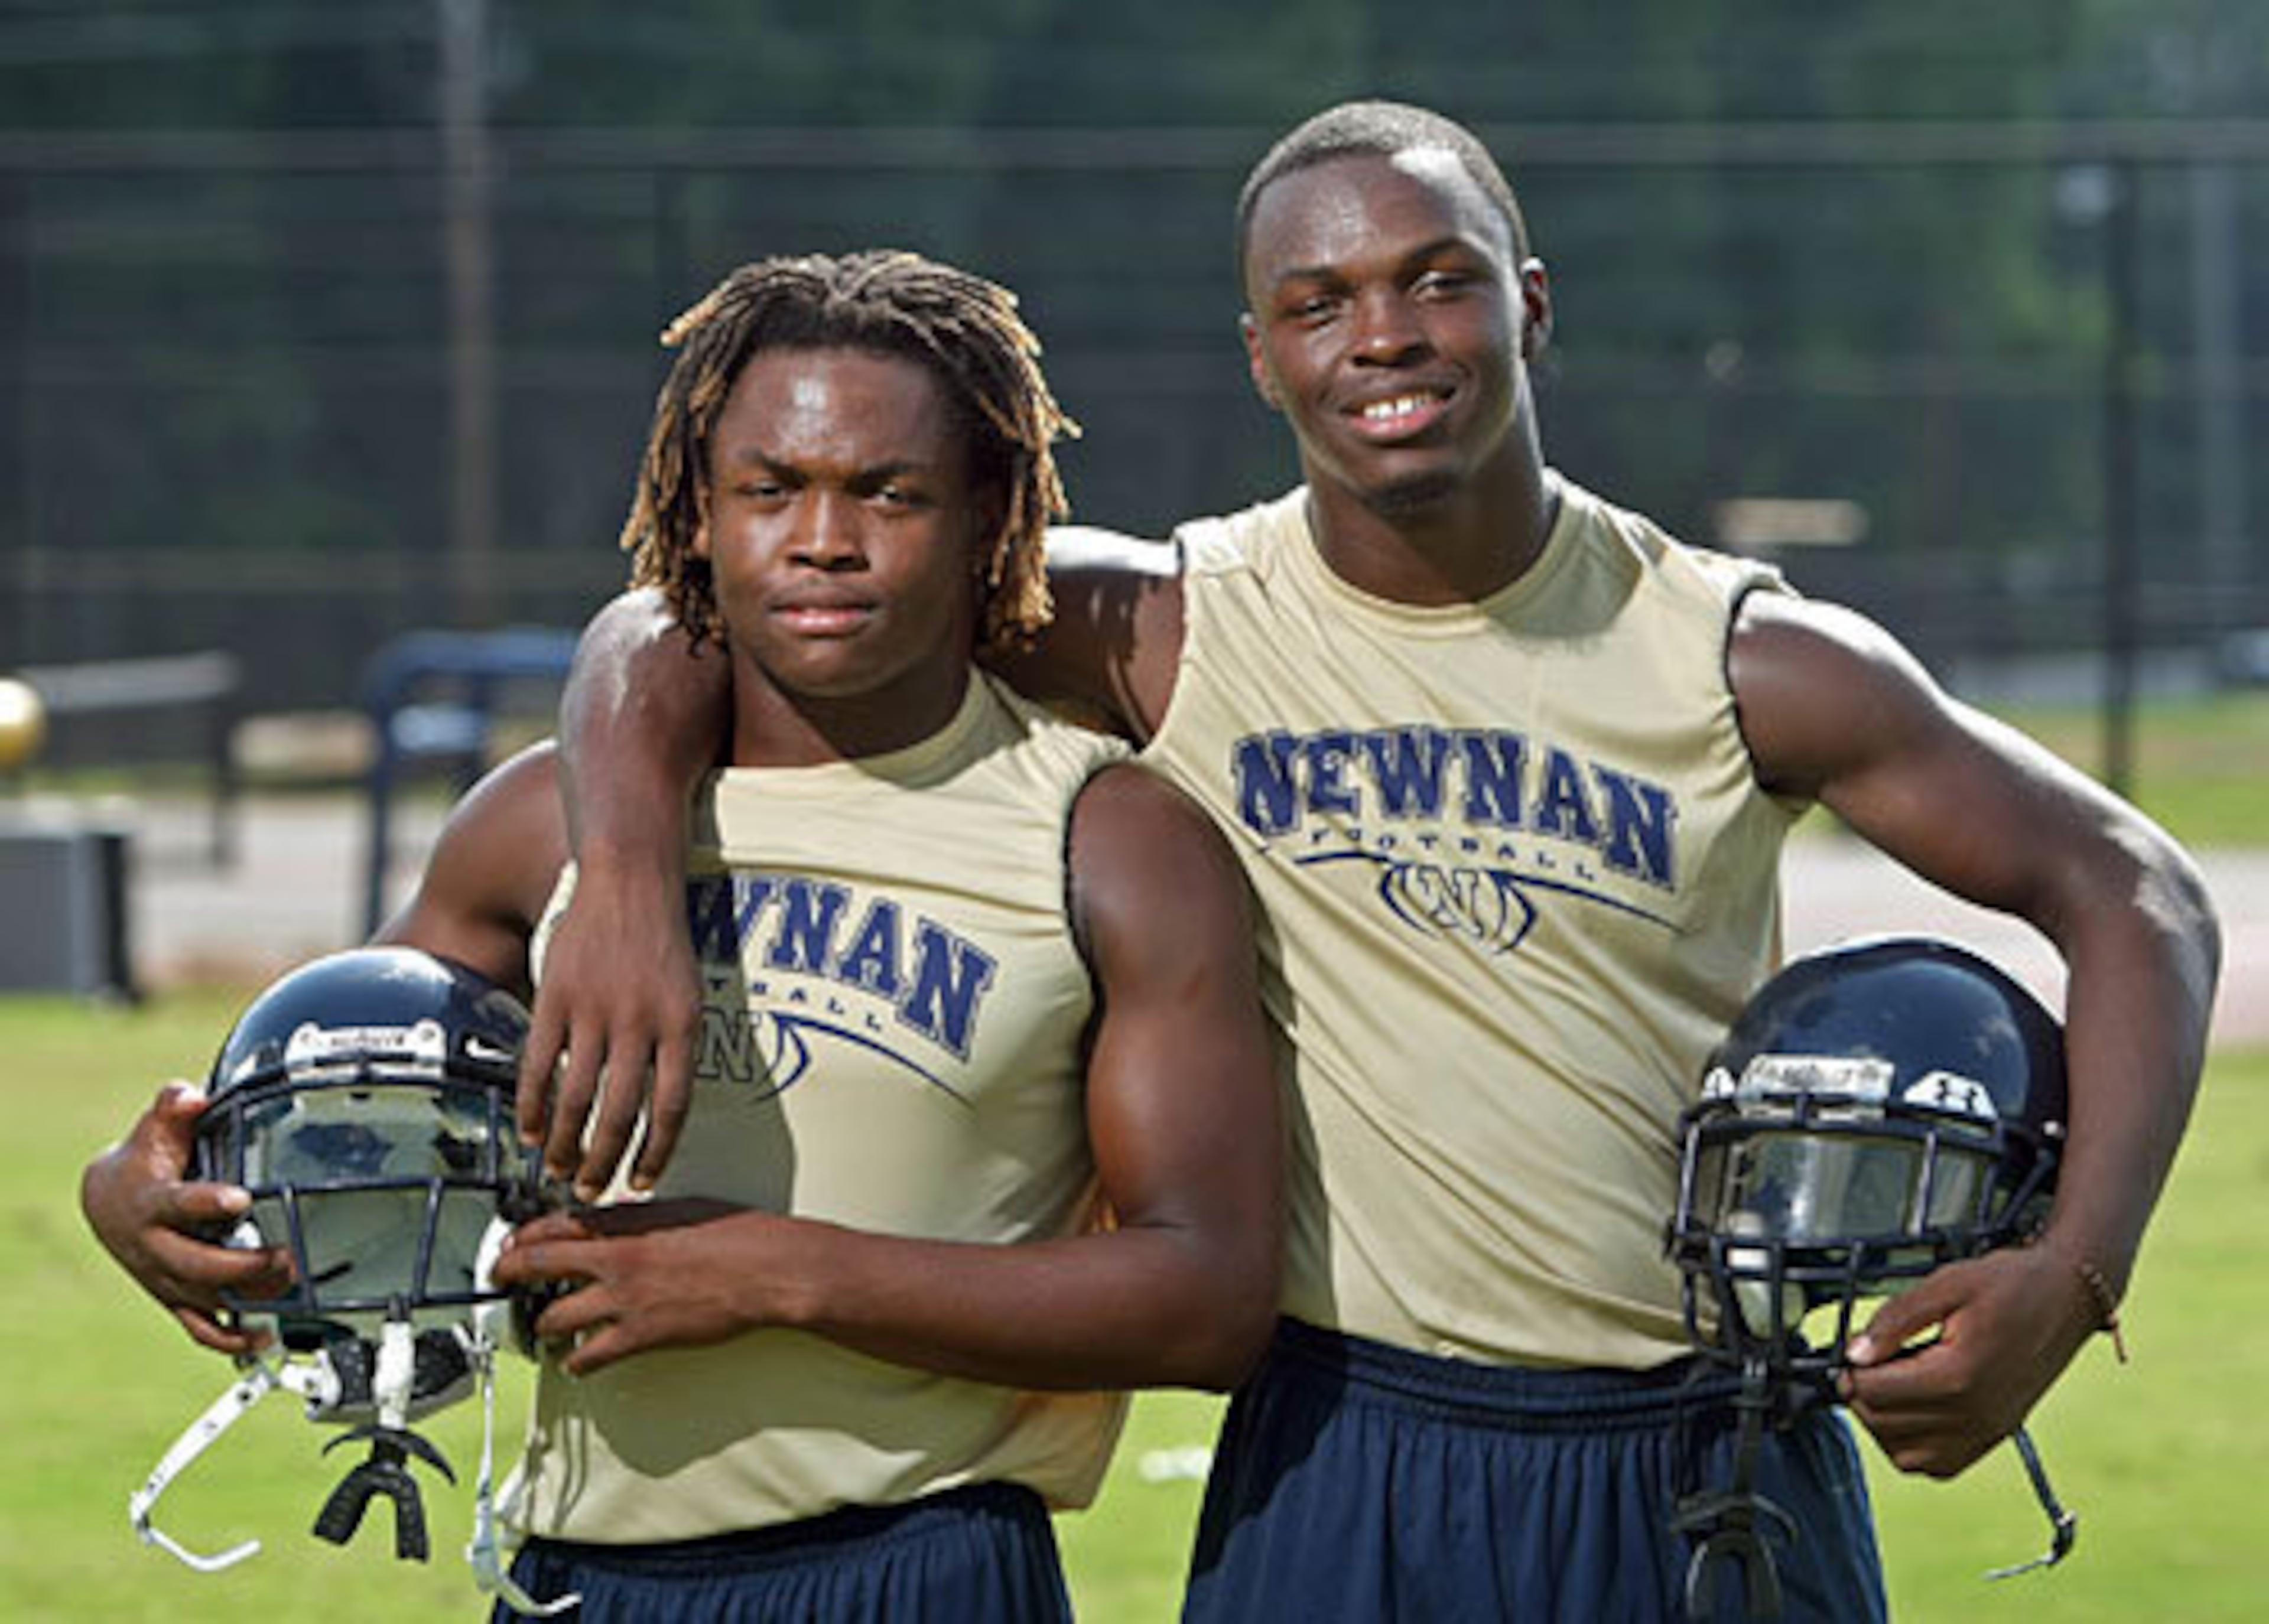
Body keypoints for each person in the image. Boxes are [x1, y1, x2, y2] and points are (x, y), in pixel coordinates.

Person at [531, 103, 2220, 1620]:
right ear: (1260, 355)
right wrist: (621, 874)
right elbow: (695, 610)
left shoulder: (1737, 655)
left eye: (1437, 280)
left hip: (1699, 1438)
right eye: (1318, 303)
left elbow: (2134, 893)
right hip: (1340, 1445)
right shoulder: (1165, 630)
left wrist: (2075, 1275)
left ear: (1531, 303)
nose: (1384, 336)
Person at [80, 248, 1283, 1621]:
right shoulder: (545, 828)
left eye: (888, 493)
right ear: (696, 512)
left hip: (922, 1563)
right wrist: (138, 1193)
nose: (823, 538)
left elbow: (1209, 1293)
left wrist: (781, 1272)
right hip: (577, 1578)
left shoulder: (1111, 840)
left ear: (987, 514)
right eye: (771, 489)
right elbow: (334, 1107)